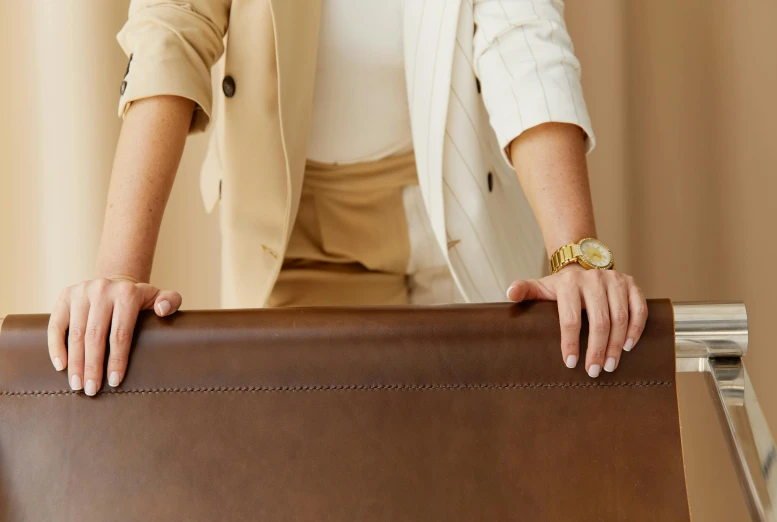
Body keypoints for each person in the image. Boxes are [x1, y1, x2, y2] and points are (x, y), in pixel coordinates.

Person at [47, 0, 648, 396]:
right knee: (315, 478)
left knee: (482, 477)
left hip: (459, 204)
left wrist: (575, 256)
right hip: (302, 238)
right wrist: (118, 274)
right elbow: (171, 28)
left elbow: (523, 37)